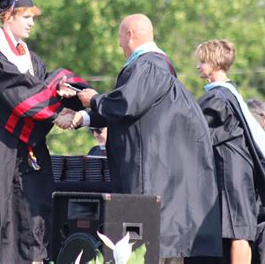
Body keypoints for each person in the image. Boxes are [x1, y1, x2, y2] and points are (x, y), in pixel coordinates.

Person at [60, 13, 223, 263]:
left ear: (130, 35)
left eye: (120, 38)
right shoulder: (157, 68)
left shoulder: (149, 65)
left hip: (152, 174)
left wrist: (93, 98)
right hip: (161, 173)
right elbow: (126, 111)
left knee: (149, 246)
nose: (119, 45)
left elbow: (126, 104)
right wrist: (84, 117)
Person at [0, 0, 86, 263]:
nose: (31, 23)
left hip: (26, 146)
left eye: (33, 17)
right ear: (8, 16)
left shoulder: (29, 59)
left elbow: (42, 85)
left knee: (33, 203)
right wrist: (56, 109)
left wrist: (69, 91)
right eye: (26, 16)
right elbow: (22, 95)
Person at [195, 39, 265, 264]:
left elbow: (198, 133)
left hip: (231, 173)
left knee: (238, 232)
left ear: (214, 62)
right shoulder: (229, 94)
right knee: (238, 231)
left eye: (202, 61)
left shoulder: (217, 97)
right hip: (237, 171)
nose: (198, 66)